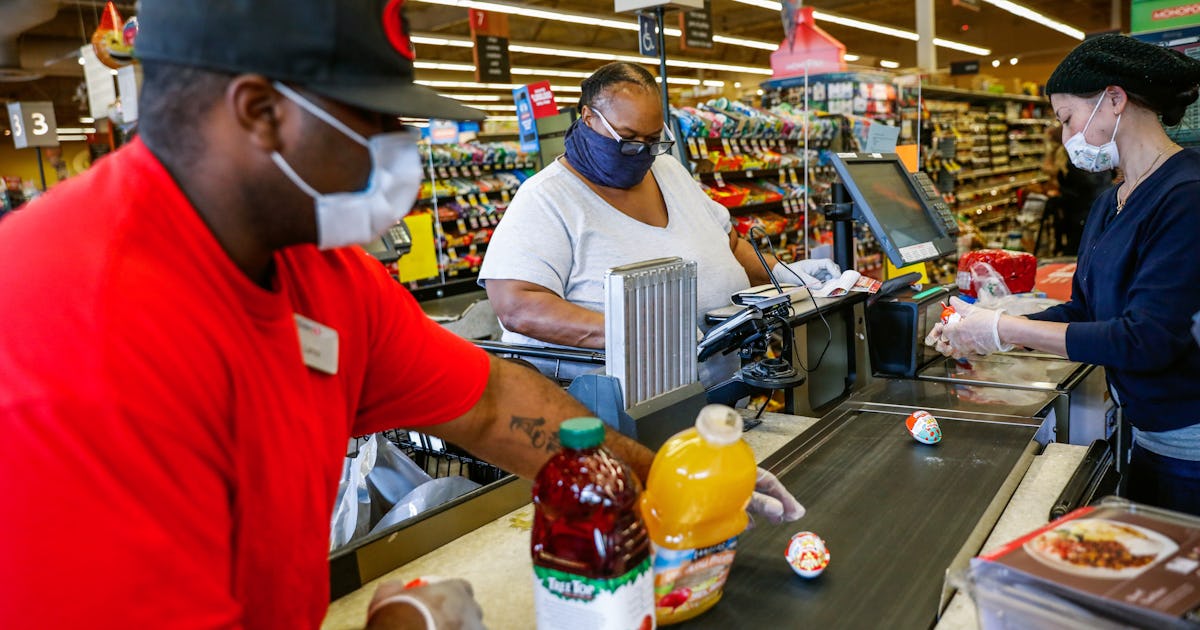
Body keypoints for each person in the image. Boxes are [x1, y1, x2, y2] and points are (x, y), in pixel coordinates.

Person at [0, 2, 803, 628]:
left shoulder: (320, 271)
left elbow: (490, 405)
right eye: (372, 118)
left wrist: (659, 482)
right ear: (258, 112)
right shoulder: (71, 338)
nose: (398, 147)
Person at [927, 34, 1200, 516]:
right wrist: (988, 330)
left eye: (1067, 118)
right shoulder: (1109, 202)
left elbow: (1148, 339)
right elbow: (1084, 309)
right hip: (1139, 424)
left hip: (1186, 442)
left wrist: (1003, 328)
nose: (1064, 137)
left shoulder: (1186, 195)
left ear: (1114, 100)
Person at [479, 62, 839, 387]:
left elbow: (728, 245)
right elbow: (517, 306)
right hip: (614, 409)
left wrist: (785, 274)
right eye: (628, 139)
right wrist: (629, 333)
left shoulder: (666, 169)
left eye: (653, 141)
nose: (643, 153)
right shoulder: (546, 197)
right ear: (588, 118)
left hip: (716, 388)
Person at [1040, 124, 1112, 256]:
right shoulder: (1086, 152)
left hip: (1085, 212)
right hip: (1098, 208)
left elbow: (1084, 186)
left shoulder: (1073, 159)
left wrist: (1062, 194)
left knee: (1079, 250)